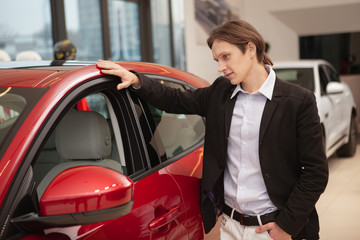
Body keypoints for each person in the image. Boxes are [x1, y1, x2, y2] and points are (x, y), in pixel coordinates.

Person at [96, 19, 328, 240]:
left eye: (226, 57)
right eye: (217, 59)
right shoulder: (221, 93)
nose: (220, 68)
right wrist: (136, 80)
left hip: (272, 227)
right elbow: (175, 99)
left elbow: (316, 172)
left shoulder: (298, 101)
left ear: (250, 48)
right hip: (230, 225)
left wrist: (285, 227)